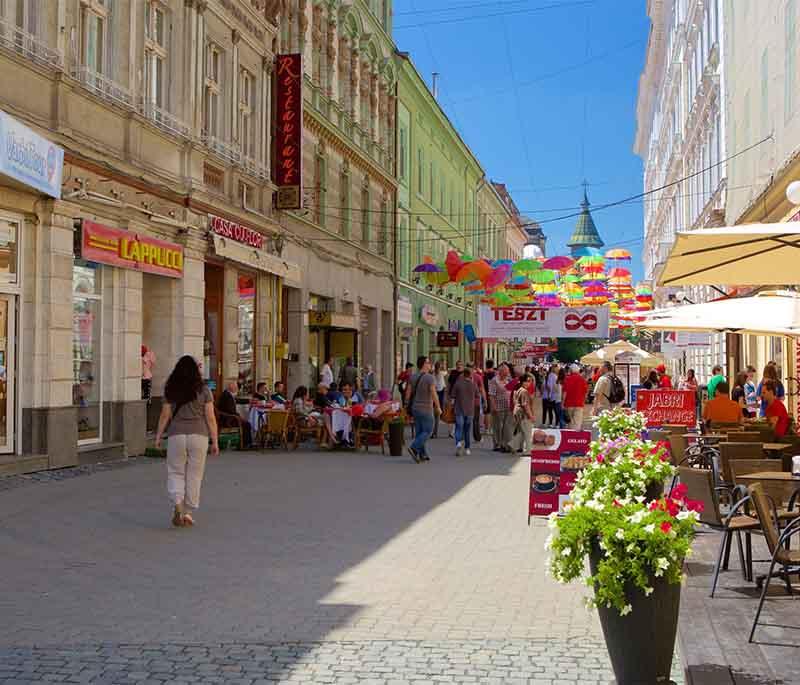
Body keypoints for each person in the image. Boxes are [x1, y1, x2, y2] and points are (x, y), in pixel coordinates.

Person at [155, 356, 219, 528]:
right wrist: (215, 441)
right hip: (199, 436)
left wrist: (158, 436)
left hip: (176, 435)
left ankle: (177, 502)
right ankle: (188, 512)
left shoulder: (171, 388)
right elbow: (210, 417)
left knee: (175, 471)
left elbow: (165, 415)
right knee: (194, 474)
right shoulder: (204, 390)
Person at [406, 356, 440, 463]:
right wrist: (438, 406)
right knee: (428, 431)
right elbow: (434, 393)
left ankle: (422, 454)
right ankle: (414, 447)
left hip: (415, 408)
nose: (430, 364)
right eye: (428, 362)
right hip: (426, 408)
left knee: (420, 432)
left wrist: (406, 404)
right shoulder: (430, 378)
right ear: (424, 364)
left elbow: (408, 393)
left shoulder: (413, 377)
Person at [451, 367, 479, 456]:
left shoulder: (458, 383)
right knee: (467, 430)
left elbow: (453, 396)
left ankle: (458, 443)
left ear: (463, 374)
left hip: (459, 409)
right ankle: (467, 448)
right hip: (470, 410)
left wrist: (452, 406)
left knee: (459, 428)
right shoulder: (473, 384)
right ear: (470, 375)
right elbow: (477, 395)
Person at [217, 381, 253, 448]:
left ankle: (246, 443)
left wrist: (248, 401)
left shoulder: (227, 394)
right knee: (246, 424)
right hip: (227, 419)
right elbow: (230, 411)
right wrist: (239, 416)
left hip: (228, 417)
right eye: (235, 387)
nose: (237, 389)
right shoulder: (227, 396)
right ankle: (245, 444)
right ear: (231, 387)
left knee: (245, 422)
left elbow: (236, 400)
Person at [488, 362, 513, 452]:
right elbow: (491, 395)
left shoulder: (509, 379)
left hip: (508, 406)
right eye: (506, 371)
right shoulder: (494, 381)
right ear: (500, 372)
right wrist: (493, 406)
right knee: (497, 426)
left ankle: (505, 443)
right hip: (498, 406)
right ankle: (497, 443)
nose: (507, 373)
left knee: (507, 427)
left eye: (508, 371)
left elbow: (512, 390)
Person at [509, 373, 536, 454]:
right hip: (524, 415)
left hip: (519, 415)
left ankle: (513, 444)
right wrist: (531, 416)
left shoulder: (519, 390)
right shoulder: (524, 391)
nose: (528, 383)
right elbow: (525, 405)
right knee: (528, 433)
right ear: (522, 382)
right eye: (526, 381)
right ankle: (528, 451)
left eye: (530, 381)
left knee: (523, 433)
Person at [562, 364, 588, 429]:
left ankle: (569, 436)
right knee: (577, 423)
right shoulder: (582, 379)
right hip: (579, 404)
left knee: (569, 422)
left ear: (571, 370)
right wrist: (584, 401)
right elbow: (585, 393)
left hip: (568, 404)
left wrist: (562, 403)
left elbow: (564, 393)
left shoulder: (567, 379)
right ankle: (574, 436)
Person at [468, 363, 486, 444]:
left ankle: (473, 437)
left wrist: (484, 401)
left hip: (472, 402)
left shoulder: (477, 377)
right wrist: (485, 401)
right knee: (474, 420)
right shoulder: (477, 377)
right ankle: (476, 437)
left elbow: (482, 389)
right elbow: (482, 390)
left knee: (473, 420)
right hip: (472, 402)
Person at [433, 361, 448, 438]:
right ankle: (434, 432)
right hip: (436, 392)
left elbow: (446, 372)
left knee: (437, 412)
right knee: (436, 412)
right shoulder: (436, 374)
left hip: (439, 392)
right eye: (438, 367)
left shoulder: (438, 374)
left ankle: (434, 432)